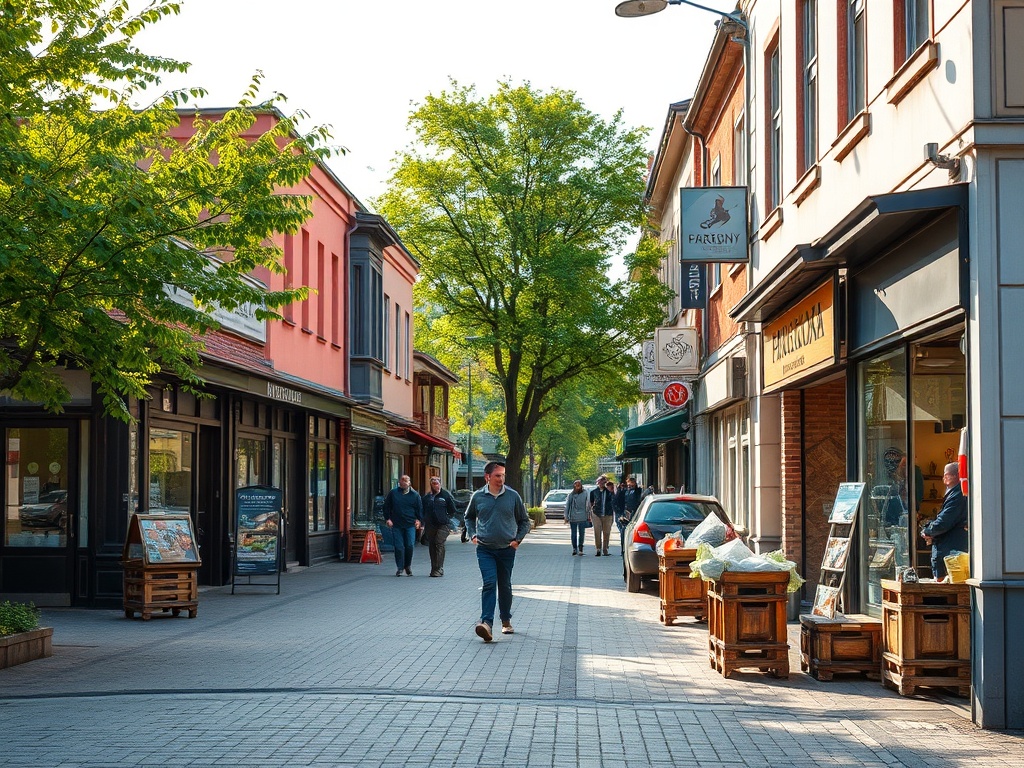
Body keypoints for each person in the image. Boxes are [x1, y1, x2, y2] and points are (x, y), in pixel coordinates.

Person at [465, 461, 531, 642]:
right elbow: (469, 517)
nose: (501, 478)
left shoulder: (512, 496)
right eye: (497, 475)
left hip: (506, 549)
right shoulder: (478, 497)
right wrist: (472, 535)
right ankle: (486, 624)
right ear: (487, 477)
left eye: (503, 475)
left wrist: (517, 540)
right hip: (485, 549)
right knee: (488, 583)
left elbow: (525, 521)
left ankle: (506, 620)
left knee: (504, 585)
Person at [921, 462, 969, 580]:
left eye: (946, 475)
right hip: (950, 549)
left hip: (950, 551)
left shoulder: (957, 495)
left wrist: (928, 531)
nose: (944, 478)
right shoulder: (956, 493)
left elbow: (944, 522)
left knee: (946, 585)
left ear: (953, 476)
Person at [383, 475, 422, 577]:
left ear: (409, 483)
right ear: (399, 482)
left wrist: (419, 520)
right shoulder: (393, 493)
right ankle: (400, 568)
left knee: (409, 545)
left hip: (410, 524)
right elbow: (386, 506)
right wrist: (388, 519)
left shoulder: (415, 495)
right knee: (399, 546)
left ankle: (407, 566)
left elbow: (419, 509)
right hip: (397, 524)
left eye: (406, 481)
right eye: (402, 481)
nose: (403, 483)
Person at [421, 476, 456, 577]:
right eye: (433, 483)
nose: (435, 485)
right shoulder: (427, 498)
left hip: (443, 525)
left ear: (440, 484)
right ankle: (434, 568)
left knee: (439, 543)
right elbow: (422, 510)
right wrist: (423, 521)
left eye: (437, 483)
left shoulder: (445, 495)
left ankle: (439, 568)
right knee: (432, 545)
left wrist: (447, 519)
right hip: (430, 525)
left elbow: (452, 509)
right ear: (431, 484)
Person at [588, 475, 616, 557]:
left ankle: (605, 549)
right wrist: (591, 513)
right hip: (596, 514)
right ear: (597, 483)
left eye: (603, 482)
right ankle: (598, 549)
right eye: (599, 482)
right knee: (597, 531)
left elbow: (614, 501)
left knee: (606, 532)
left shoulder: (609, 492)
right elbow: (591, 503)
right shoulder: (593, 492)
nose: (601, 484)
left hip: (607, 514)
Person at [563, 479, 590, 556]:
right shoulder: (571, 495)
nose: (577, 486)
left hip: (582, 517)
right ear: (573, 486)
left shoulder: (585, 493)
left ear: (581, 485)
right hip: (573, 517)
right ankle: (574, 548)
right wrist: (566, 516)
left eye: (579, 484)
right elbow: (567, 506)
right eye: (576, 484)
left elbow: (588, 505)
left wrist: (589, 515)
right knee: (573, 534)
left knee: (582, 533)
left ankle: (580, 547)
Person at [617, 476, 643, 551]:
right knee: (624, 531)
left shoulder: (638, 491)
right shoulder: (625, 491)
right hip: (626, 513)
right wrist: (619, 489)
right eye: (629, 484)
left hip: (635, 512)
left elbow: (639, 498)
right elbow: (618, 500)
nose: (630, 485)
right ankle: (623, 549)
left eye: (632, 483)